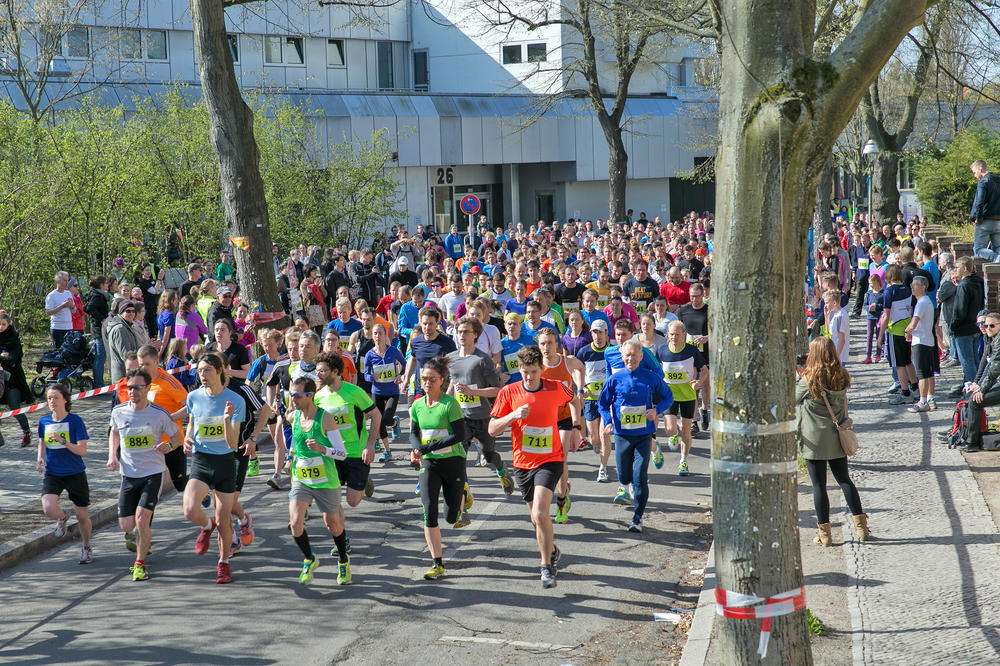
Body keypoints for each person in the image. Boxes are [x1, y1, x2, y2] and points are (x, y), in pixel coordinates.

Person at [489, 345, 574, 589]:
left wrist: (576, 427)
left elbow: (573, 399)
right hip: (523, 463)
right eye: (525, 372)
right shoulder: (509, 392)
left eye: (534, 372)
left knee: (539, 513)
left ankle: (546, 568)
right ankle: (552, 549)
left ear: (541, 370)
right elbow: (492, 429)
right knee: (536, 519)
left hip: (550, 459)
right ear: (519, 369)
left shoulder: (555, 388)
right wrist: (513, 415)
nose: (530, 377)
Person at [107, 367, 183, 581]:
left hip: (152, 473)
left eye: (138, 388)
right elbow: (114, 432)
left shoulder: (159, 414)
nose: (133, 391)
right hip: (128, 474)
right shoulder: (119, 411)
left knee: (142, 519)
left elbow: (176, 437)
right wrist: (113, 455)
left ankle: (139, 564)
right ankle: (142, 539)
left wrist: (169, 446)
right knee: (127, 525)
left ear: (147, 388)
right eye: (130, 388)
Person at [796, 337, 870, 545]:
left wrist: (798, 375)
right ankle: (861, 527)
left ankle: (825, 535)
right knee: (845, 480)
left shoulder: (808, 379)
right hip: (837, 436)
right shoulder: (841, 375)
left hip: (814, 439)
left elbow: (792, 398)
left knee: (819, 486)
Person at [181, 352, 246, 584]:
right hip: (201, 460)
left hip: (225, 462)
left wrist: (227, 420)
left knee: (224, 517)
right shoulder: (194, 397)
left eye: (207, 370)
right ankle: (206, 526)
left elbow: (232, 443)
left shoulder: (235, 401)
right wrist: (187, 438)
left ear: (220, 371)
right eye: (199, 370)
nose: (202, 375)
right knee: (189, 510)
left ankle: (223, 562)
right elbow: (192, 424)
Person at [598, 339, 673, 532]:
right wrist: (607, 422)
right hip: (622, 434)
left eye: (634, 355)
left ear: (641, 356)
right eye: (627, 355)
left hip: (643, 435)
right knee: (624, 476)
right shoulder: (614, 379)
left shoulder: (650, 377)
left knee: (640, 476)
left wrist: (657, 410)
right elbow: (603, 403)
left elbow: (668, 396)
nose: (630, 358)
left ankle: (637, 518)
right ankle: (628, 486)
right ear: (622, 357)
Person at [284, 375, 353, 585]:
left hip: (326, 480)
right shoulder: (293, 417)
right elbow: (296, 442)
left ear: (310, 396)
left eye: (297, 395)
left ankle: (343, 561)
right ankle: (309, 559)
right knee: (295, 523)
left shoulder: (325, 418)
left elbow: (341, 453)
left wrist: (323, 449)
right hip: (302, 479)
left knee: (332, 524)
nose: (293, 399)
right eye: (291, 395)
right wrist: (290, 457)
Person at [410, 356, 471, 580]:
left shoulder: (449, 404)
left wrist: (430, 446)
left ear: (442, 380)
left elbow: (459, 435)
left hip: (453, 461)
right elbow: (414, 432)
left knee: (452, 517)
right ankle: (437, 563)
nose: (427, 382)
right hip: (429, 463)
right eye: (424, 378)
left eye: (432, 379)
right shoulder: (417, 405)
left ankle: (463, 492)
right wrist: (417, 449)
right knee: (429, 511)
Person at [447, 316, 513, 496]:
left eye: (466, 332)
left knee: (489, 454)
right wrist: (444, 405)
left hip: (483, 416)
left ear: (475, 334)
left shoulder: (482, 359)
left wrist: (473, 392)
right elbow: (453, 384)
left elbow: (497, 390)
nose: (462, 335)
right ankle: (464, 493)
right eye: (459, 331)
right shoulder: (450, 358)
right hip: (461, 417)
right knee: (460, 456)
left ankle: (501, 470)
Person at [314, 351, 381, 510]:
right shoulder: (318, 397)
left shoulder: (354, 392)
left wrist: (370, 445)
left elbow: (376, 415)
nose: (318, 375)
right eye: (317, 371)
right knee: (332, 498)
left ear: (335, 372)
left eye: (322, 371)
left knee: (352, 501)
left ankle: (364, 480)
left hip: (356, 452)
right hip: (333, 453)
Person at [36, 383, 93, 564]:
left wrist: (64, 441)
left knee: (82, 516)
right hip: (53, 472)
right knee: (48, 507)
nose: (52, 401)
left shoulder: (75, 421)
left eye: (56, 398)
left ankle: (86, 547)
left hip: (74, 472)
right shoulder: (44, 421)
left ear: (65, 400)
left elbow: (83, 451)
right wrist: (39, 457)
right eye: (49, 398)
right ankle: (62, 516)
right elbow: (41, 442)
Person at [537, 328, 584, 524]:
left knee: (560, 459)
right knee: (548, 462)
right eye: (542, 344)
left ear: (556, 343)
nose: (546, 347)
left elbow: (581, 368)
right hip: (544, 420)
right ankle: (563, 487)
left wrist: (579, 388)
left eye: (549, 343)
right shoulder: (536, 366)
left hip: (565, 417)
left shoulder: (567, 361)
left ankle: (561, 501)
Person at [656, 321, 708, 476]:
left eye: (677, 334)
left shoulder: (691, 350)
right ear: (667, 335)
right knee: (670, 429)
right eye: (671, 334)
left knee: (686, 430)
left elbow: (704, 370)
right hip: (668, 395)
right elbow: (656, 369)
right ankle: (672, 436)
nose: (674, 337)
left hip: (687, 395)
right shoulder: (661, 350)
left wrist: (698, 382)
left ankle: (683, 461)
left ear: (684, 335)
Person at [954, 311, 1000, 452]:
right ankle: (960, 433)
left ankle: (972, 443)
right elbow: (985, 366)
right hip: (997, 382)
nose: (987, 328)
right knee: (969, 396)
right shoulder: (991, 340)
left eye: (991, 326)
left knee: (975, 401)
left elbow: (994, 369)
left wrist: (982, 390)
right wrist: (977, 384)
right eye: (985, 326)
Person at [575, 319, 613, 481]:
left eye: (601, 332)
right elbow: (576, 371)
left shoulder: (612, 351)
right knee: (594, 438)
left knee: (604, 435)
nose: (597, 336)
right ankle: (596, 444)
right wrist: (580, 387)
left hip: (607, 400)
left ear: (606, 333)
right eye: (594, 332)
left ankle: (603, 469)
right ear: (591, 334)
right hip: (590, 400)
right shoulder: (584, 352)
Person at [363, 323, 406, 462]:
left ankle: (394, 423)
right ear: (372, 336)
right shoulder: (369, 355)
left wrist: (400, 375)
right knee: (379, 422)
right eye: (375, 333)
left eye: (380, 333)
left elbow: (404, 364)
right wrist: (372, 377)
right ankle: (388, 452)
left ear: (385, 335)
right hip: (377, 392)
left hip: (392, 391)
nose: (377, 336)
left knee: (387, 419)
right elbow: (365, 375)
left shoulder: (393, 351)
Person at [0, 312, 33, 447]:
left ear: (8, 325)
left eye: (3, 324)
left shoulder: (14, 339)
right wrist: (2, 356)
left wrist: (3, 358)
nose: (0, 327)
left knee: (14, 407)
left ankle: (26, 431)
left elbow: (12, 360)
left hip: (13, 379)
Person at [905, 276, 937, 412]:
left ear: (923, 286)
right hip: (928, 340)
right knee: (929, 372)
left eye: (915, 285)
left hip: (920, 342)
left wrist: (907, 331)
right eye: (912, 285)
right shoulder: (927, 301)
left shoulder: (922, 302)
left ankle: (923, 401)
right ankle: (930, 398)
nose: (912, 287)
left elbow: (913, 323)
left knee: (922, 373)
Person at [205, 318, 251, 390]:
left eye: (222, 330)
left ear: (230, 332)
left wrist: (226, 371)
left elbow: (248, 373)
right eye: (216, 330)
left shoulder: (239, 349)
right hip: (214, 389)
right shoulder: (208, 349)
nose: (219, 332)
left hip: (235, 389)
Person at [969, 159, 1000, 260]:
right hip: (998, 221)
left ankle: (997, 259)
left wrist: (978, 217)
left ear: (980, 169)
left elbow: (979, 202)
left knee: (978, 249)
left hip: (985, 221)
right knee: (998, 247)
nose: (974, 175)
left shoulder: (983, 182)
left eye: (974, 172)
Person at [107, 300, 142, 384]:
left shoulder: (127, 326)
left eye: (133, 311)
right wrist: (143, 351)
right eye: (128, 311)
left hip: (128, 377)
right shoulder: (120, 329)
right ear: (121, 312)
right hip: (122, 378)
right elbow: (126, 355)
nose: (131, 314)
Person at [45, 271, 76, 347]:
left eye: (68, 280)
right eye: (65, 280)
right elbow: (48, 312)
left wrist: (71, 306)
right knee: (59, 352)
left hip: (69, 327)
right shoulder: (51, 295)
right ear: (58, 281)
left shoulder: (68, 293)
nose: (67, 283)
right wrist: (62, 306)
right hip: (57, 328)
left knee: (70, 352)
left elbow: (74, 311)